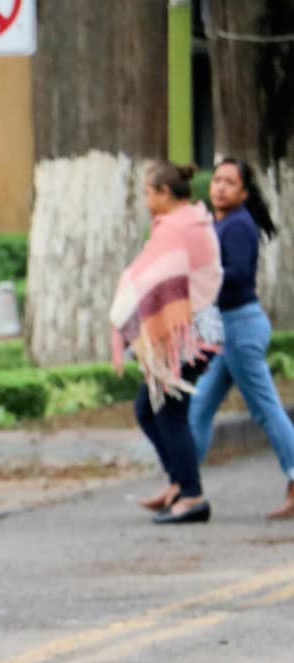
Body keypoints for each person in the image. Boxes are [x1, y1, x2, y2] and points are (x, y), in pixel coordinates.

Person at [111, 160, 223, 526]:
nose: (145, 200)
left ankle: (192, 496)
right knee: (149, 409)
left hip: (188, 334)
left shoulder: (176, 229)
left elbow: (158, 281)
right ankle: (178, 482)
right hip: (198, 328)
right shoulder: (192, 220)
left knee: (169, 413)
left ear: (163, 193)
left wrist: (129, 297)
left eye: (147, 192)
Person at [184, 159, 294, 520]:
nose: (220, 187)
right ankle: (184, 486)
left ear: (244, 193)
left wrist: (199, 272)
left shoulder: (239, 226)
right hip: (225, 328)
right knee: (199, 407)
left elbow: (239, 274)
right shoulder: (221, 223)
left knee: (266, 410)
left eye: (230, 183)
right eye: (217, 180)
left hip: (240, 328)